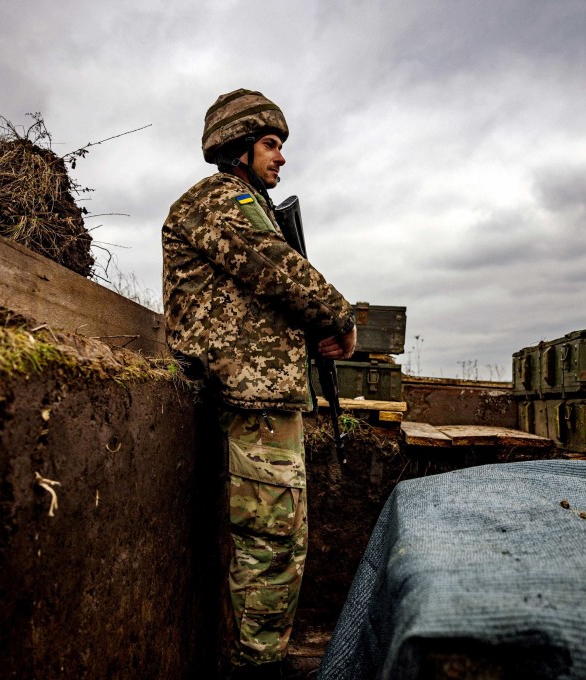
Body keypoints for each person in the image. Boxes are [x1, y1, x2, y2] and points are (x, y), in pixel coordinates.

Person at [161, 89, 357, 679]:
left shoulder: (246, 202)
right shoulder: (221, 199)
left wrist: (311, 335)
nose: (281, 157)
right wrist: (339, 320)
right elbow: (278, 269)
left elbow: (259, 294)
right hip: (249, 398)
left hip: (261, 394)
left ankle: (256, 657)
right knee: (271, 545)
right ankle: (258, 666)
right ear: (238, 146)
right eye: (272, 144)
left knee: (277, 541)